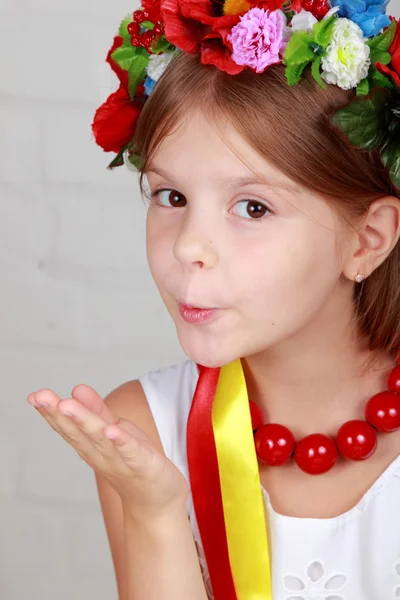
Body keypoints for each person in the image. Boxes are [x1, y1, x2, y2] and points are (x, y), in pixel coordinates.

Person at [27, 0, 400, 598]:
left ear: (367, 239)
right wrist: (154, 511)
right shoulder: (143, 430)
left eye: (252, 207)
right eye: (170, 197)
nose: (189, 248)